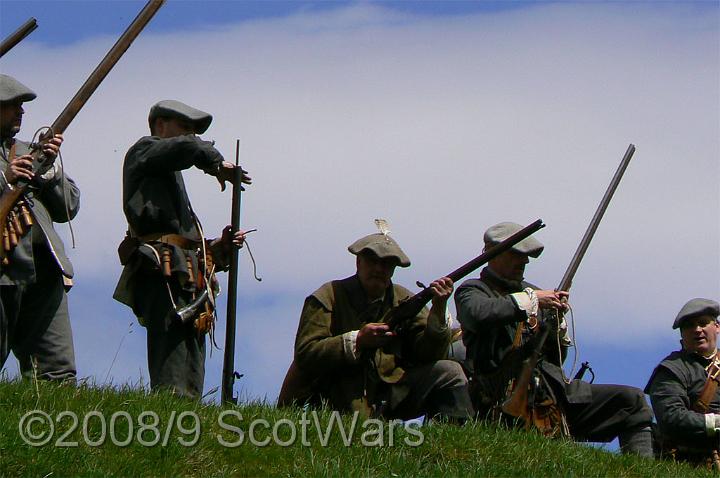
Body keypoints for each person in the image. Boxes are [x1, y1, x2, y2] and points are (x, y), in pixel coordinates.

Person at [454, 221, 653, 456]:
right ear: (491, 253)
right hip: (499, 396)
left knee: (631, 401)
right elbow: (478, 314)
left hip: (551, 390)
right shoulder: (473, 290)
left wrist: (557, 326)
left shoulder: (533, 293)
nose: (525, 261)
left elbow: (556, 358)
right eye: (516, 254)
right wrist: (533, 301)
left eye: (527, 256)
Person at [113, 100, 250, 398]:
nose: (191, 136)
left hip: (184, 272)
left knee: (191, 364)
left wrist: (219, 246)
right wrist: (214, 162)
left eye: (193, 130)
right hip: (161, 268)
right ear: (160, 125)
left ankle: (185, 421)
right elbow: (187, 149)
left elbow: (183, 238)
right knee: (171, 361)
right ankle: (168, 419)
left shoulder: (169, 172)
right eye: (185, 128)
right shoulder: (143, 151)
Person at [278, 230, 474, 422]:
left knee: (450, 373)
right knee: (356, 427)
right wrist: (358, 340)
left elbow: (428, 355)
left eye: (387, 264)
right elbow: (306, 353)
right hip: (336, 392)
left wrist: (438, 312)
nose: (379, 269)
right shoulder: (328, 296)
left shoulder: (403, 299)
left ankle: (452, 447)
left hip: (391, 389)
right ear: (358, 262)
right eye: (373, 261)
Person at [0, 74, 79, 382]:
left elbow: (68, 207)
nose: (20, 111)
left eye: (21, 105)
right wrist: (5, 180)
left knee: (56, 371)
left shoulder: (29, 149)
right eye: (11, 105)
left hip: (45, 266)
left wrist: (52, 171)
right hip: (5, 268)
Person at [645, 298, 720, 466]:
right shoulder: (671, 369)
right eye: (689, 326)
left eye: (703, 323)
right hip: (693, 462)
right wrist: (715, 422)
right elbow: (671, 418)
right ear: (682, 334)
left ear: (717, 327)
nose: (697, 330)